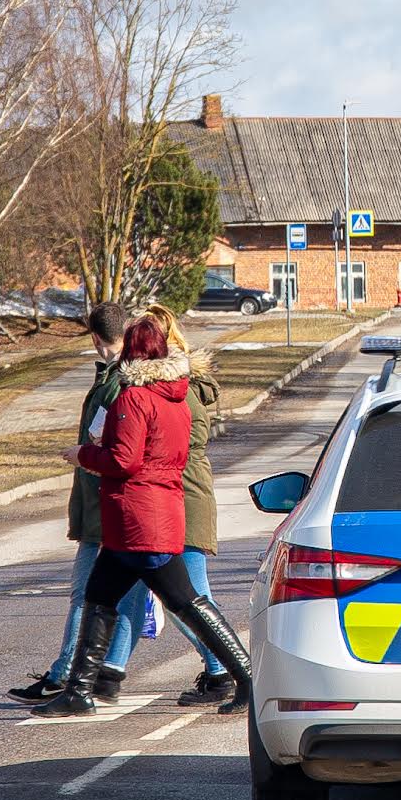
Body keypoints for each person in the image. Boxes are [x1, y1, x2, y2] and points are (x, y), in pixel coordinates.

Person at [32, 314, 255, 717]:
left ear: (133, 351)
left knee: (187, 603)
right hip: (154, 515)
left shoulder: (134, 398)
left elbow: (124, 459)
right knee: (101, 597)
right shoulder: (177, 397)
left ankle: (246, 678)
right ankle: (80, 691)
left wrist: (84, 454)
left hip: (138, 521)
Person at [7, 302, 143, 704]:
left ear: (96, 338)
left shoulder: (120, 382)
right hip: (115, 507)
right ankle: (106, 674)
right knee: (145, 596)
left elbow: (112, 447)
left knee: (87, 595)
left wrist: (82, 454)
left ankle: (64, 675)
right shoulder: (120, 376)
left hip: (104, 508)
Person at [149, 303, 234, 707]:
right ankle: (92, 676)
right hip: (180, 493)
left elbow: (180, 444)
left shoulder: (177, 391)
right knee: (159, 592)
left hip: (182, 497)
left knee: (191, 593)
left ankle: (226, 670)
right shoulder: (182, 385)